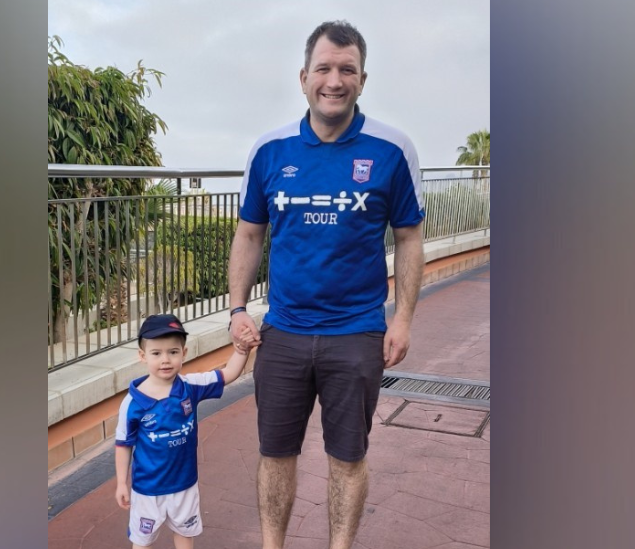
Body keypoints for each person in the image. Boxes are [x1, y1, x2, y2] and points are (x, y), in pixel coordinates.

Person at [227, 20, 425, 549]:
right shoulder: (269, 151)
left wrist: (402, 319)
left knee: (349, 457)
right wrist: (236, 309)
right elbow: (249, 234)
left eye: (347, 70)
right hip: (282, 334)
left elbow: (408, 238)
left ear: (363, 79)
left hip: (357, 334)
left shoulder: (391, 150)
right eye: (324, 68)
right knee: (275, 454)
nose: (334, 80)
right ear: (303, 77)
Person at [115, 313, 259, 549]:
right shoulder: (132, 403)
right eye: (156, 353)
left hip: (185, 485)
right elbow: (123, 444)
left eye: (173, 352)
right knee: (141, 541)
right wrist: (122, 483)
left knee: (185, 535)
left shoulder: (191, 386)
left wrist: (242, 350)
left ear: (184, 353)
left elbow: (228, 374)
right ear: (142, 356)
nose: (165, 360)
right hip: (147, 490)